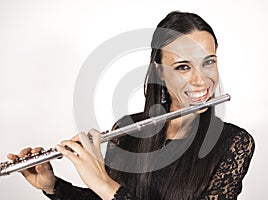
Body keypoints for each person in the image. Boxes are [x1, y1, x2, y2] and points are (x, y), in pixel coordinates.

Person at [8, 11, 255, 200]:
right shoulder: (127, 129)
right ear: (159, 72)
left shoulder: (234, 143)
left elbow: (111, 192)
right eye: (183, 67)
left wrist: (103, 182)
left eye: (208, 62)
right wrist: (53, 186)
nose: (201, 80)